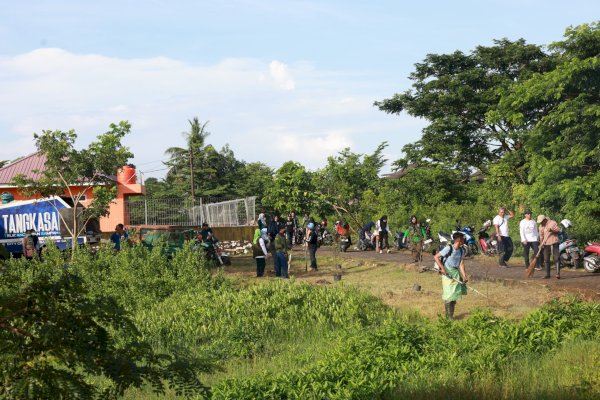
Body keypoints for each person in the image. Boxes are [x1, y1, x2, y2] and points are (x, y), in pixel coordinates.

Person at [434, 232, 468, 320]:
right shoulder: (449, 248)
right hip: (447, 273)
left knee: (454, 295)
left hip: (455, 273)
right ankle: (448, 318)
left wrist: (464, 276)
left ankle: (450, 316)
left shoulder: (461, 250)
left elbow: (461, 263)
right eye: (463, 239)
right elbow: (436, 257)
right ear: (459, 240)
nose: (464, 240)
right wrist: (442, 269)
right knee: (449, 294)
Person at [537, 215, 561, 279]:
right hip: (546, 243)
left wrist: (552, 230)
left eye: (541, 221)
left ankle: (557, 274)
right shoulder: (541, 226)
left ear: (544, 220)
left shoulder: (552, 223)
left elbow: (558, 230)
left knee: (556, 258)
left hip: (554, 242)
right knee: (546, 259)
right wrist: (541, 244)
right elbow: (541, 236)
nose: (541, 223)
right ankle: (547, 274)